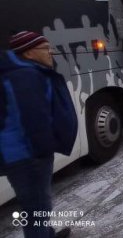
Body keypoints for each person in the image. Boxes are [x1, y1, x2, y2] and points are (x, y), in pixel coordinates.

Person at [0, 31, 78, 238]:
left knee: (37, 206)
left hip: (20, 155)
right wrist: (43, 151)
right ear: (30, 52)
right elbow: (33, 119)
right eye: (45, 48)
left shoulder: (21, 71)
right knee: (36, 209)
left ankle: (47, 234)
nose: (50, 52)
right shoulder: (26, 76)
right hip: (28, 156)